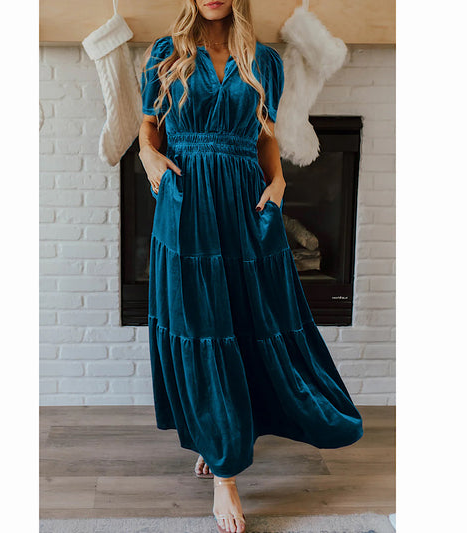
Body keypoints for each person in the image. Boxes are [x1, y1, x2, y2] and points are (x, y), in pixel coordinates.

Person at [138, 1, 364, 532]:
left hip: (245, 203)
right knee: (201, 326)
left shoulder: (265, 61)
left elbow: (265, 136)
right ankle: (225, 471)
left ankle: (222, 435)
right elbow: (150, 127)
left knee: (247, 323)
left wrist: (279, 182)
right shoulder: (165, 54)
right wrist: (149, 157)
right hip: (186, 201)